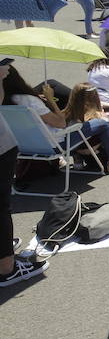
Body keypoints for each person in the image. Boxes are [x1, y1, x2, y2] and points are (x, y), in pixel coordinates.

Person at [0, 61, 48, 286]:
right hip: (3, 147)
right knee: (1, 207)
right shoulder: (28, 100)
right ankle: (6, 266)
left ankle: (4, 249)